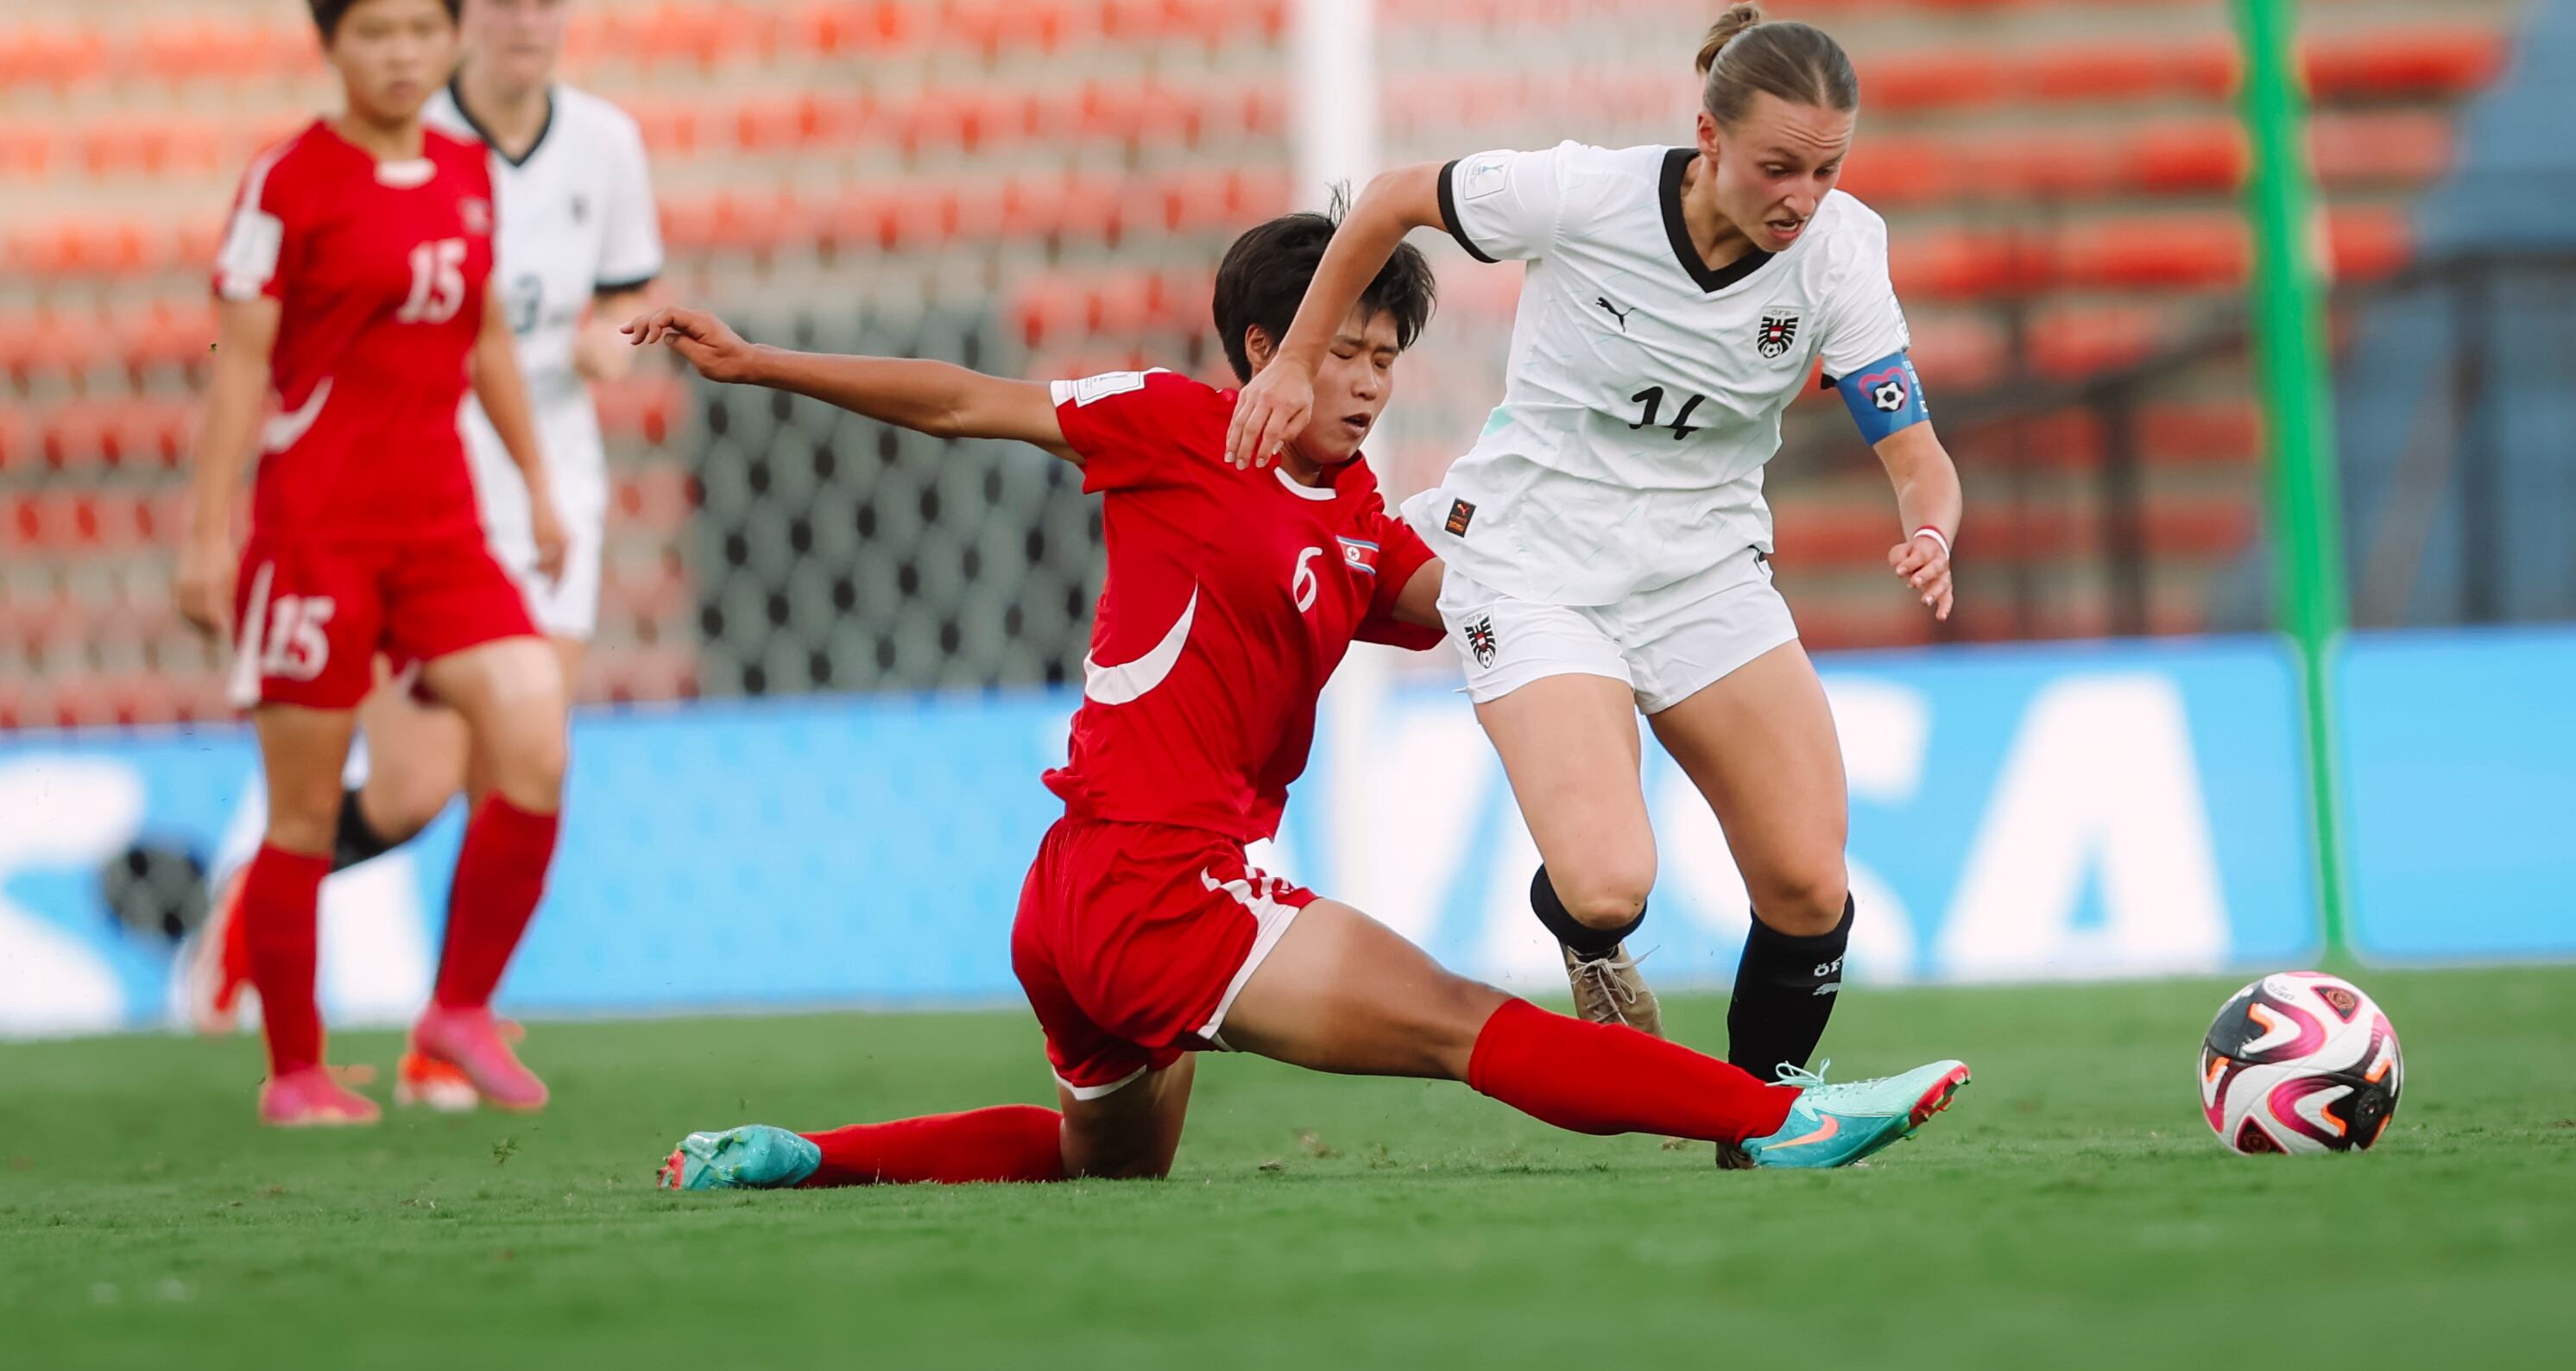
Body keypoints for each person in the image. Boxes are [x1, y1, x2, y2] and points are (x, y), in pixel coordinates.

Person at [629, 211, 1967, 1189]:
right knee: (1459, 1023)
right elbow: (970, 401)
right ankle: (1766, 1115)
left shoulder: (1369, 523)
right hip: (1156, 877)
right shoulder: (1176, 425)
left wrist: (1592, 496)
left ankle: (795, 1158)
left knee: (1107, 1171)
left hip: (1088, 896)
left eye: (1389, 353)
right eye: (1346, 350)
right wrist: (761, 365)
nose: (1373, 379)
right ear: (1266, 347)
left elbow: (1484, 603)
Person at [1224, 3, 1964, 1167]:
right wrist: (1300, 362)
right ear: (1708, 138)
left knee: (1809, 883)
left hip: (1704, 572)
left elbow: (1915, 453)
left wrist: (1929, 526)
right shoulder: (1577, 193)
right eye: (1777, 166)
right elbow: (1384, 201)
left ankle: (1763, 1123)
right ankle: (1585, 933)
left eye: (1825, 169)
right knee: (1610, 883)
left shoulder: (1839, 251)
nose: (1800, 197)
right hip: (1532, 560)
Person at [181, 0, 661, 1114]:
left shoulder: (469, 175)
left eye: (418, 29)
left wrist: (543, 488)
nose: (402, 53)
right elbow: (239, 365)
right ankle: (293, 1067)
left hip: (449, 525)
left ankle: (454, 1011)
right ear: (332, 43)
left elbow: (488, 336)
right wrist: (210, 531)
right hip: (319, 529)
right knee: (334, 802)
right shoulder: (287, 184)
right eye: (375, 32)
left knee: (534, 737)